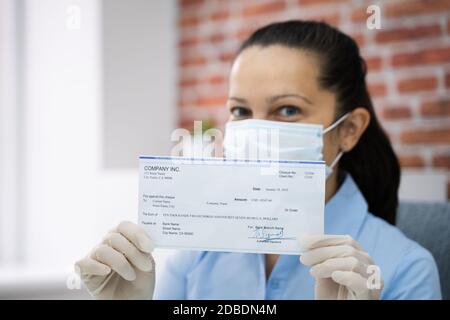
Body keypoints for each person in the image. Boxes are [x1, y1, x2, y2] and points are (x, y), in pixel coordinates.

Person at [75, 20, 441, 300]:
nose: (258, 132)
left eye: (287, 109)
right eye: (241, 110)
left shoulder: (406, 269)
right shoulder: (196, 255)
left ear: (350, 129)